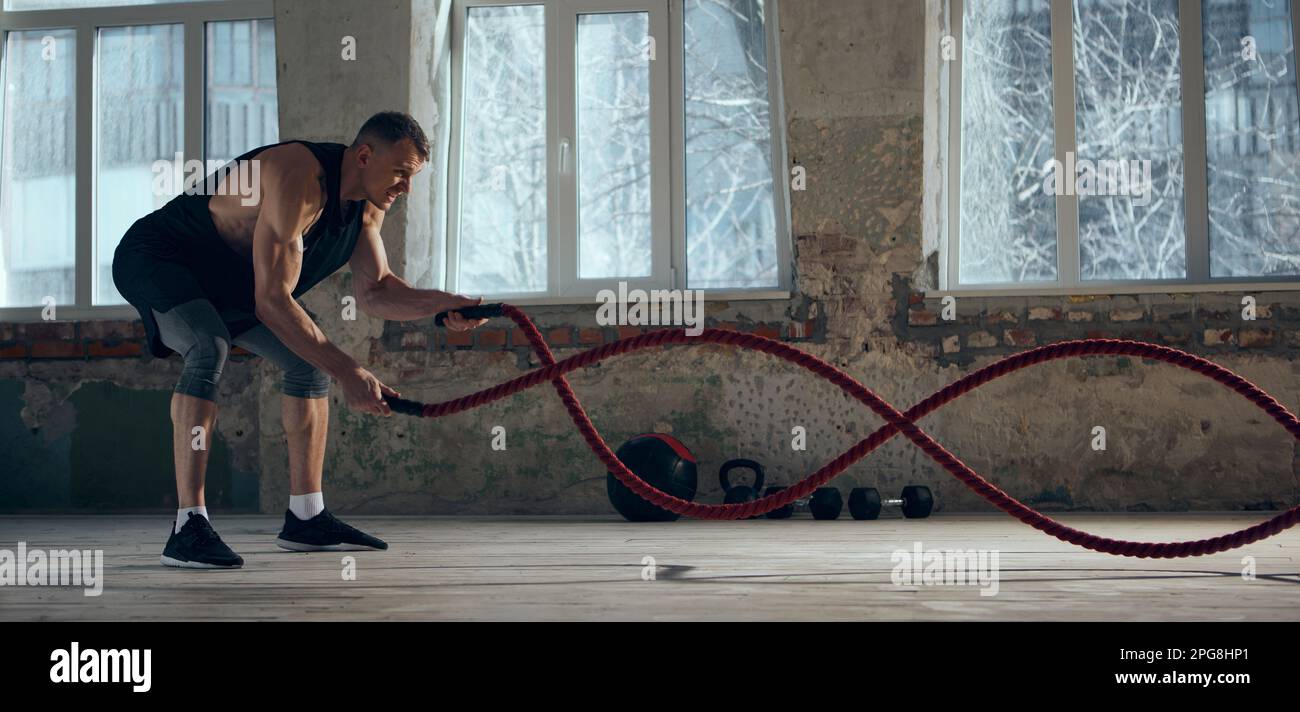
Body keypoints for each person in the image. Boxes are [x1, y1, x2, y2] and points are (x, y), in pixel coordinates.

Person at [112, 111, 487, 568]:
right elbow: (271, 301)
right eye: (401, 173)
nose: (406, 188)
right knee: (209, 346)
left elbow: (378, 290)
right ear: (365, 155)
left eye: (412, 178)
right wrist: (349, 370)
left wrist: (444, 302)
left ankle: (306, 518)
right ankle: (188, 525)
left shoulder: (367, 204)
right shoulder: (298, 176)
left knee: (307, 366)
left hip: (232, 281)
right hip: (159, 258)